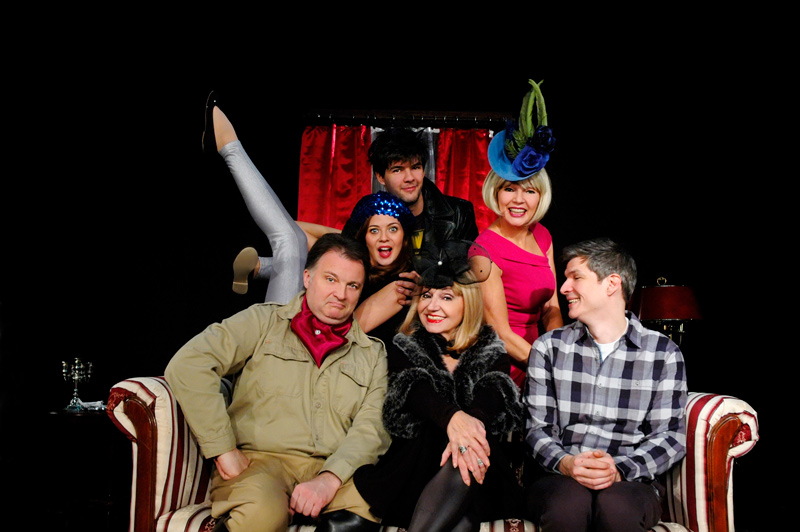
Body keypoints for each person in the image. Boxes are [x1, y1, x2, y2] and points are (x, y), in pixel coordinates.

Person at [165, 233, 391, 532]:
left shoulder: (373, 354)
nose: (341, 294)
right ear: (307, 277)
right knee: (263, 513)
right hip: (260, 464)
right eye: (331, 279)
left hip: (333, 469)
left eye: (353, 286)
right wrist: (222, 449)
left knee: (367, 510)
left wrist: (329, 479)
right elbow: (190, 364)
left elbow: (371, 426)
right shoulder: (263, 322)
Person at [352, 241, 525, 531]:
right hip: (415, 471)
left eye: (446, 297)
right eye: (426, 295)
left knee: (466, 454)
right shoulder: (405, 345)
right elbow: (415, 388)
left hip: (479, 470)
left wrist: (468, 429)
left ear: (467, 303)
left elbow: (492, 393)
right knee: (462, 521)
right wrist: (453, 418)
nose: (432, 306)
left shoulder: (491, 349)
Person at [523, 238, 688, 532]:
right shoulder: (549, 348)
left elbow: (670, 437)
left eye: (575, 277)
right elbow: (538, 429)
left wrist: (619, 470)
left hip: (631, 480)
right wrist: (567, 463)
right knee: (567, 505)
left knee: (617, 507)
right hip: (559, 478)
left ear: (612, 283)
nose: (564, 288)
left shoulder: (663, 353)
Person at [476, 79, 562, 388]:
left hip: (541, 361)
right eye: (510, 189)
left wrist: (557, 354)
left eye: (529, 191)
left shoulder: (543, 236)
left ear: (541, 196)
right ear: (496, 193)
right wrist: (552, 373)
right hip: (502, 370)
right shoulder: (483, 251)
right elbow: (500, 332)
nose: (518, 200)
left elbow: (552, 308)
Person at [341, 127, 479, 251]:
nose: (409, 178)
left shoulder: (459, 214)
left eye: (415, 167)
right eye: (397, 170)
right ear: (380, 177)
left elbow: (472, 269)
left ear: (423, 171)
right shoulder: (364, 217)